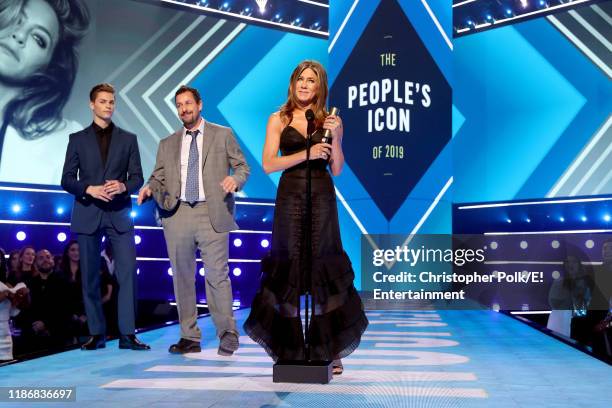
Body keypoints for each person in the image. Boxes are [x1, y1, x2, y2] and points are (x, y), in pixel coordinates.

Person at [243, 60, 368, 375]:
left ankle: (329, 347)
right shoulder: (278, 118)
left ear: (319, 87)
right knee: (289, 268)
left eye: (311, 80)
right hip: (290, 198)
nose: (304, 84)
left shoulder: (330, 119)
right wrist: (306, 154)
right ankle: (290, 348)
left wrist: (336, 138)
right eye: (300, 78)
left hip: (322, 198)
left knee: (323, 268)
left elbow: (336, 169)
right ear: (292, 83)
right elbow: (269, 164)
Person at [137, 85, 250, 356]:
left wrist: (235, 179)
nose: (184, 109)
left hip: (212, 212)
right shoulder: (168, 143)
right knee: (183, 278)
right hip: (177, 214)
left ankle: (228, 333)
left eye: (188, 103)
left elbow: (243, 166)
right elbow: (158, 176)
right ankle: (190, 336)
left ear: (199, 105)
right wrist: (149, 186)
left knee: (217, 275)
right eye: (179, 105)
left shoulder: (222, 134)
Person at [61, 83, 149, 351]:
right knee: (89, 277)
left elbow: (137, 177)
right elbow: (66, 179)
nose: (108, 105)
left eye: (111, 101)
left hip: (119, 213)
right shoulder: (77, 139)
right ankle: (96, 334)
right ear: (92, 104)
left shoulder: (128, 138)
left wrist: (124, 186)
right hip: (88, 212)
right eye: (103, 101)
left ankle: (127, 334)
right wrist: (88, 188)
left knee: (127, 275)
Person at [0, 0, 90, 185]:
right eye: (16, 20)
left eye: (39, 38)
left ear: (49, 65)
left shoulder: (68, 141)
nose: (19, 36)